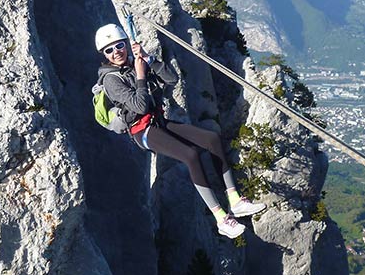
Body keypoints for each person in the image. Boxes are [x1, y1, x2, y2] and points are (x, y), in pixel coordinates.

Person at [95, 24, 266, 239]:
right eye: (109, 50)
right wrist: (140, 76)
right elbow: (140, 107)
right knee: (191, 155)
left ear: (126, 44)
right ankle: (221, 218)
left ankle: (235, 199)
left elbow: (171, 79)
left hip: (159, 122)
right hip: (142, 131)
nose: (116, 52)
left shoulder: (134, 63)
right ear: (104, 55)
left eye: (119, 45)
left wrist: (149, 60)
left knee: (211, 139)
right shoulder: (111, 80)